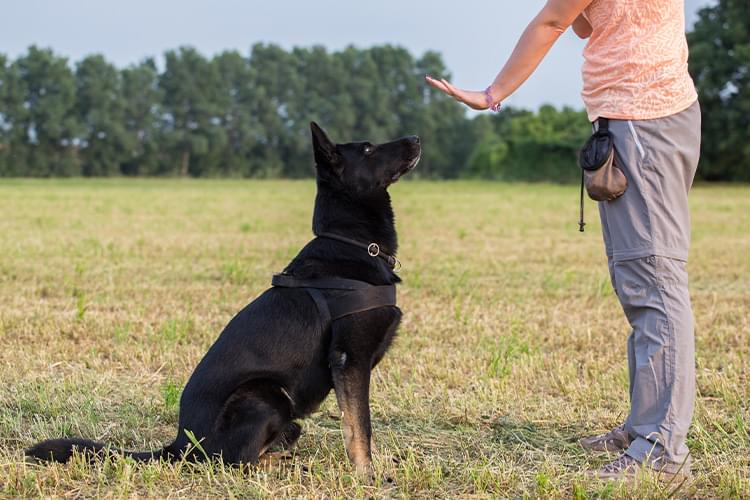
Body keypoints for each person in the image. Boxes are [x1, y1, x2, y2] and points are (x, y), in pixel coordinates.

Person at [427, 0, 700, 481]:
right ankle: (645, 427)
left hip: (642, 123)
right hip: (643, 118)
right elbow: (582, 22)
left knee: (654, 285)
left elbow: (553, 22)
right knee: (640, 283)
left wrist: (493, 93)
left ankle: (662, 450)